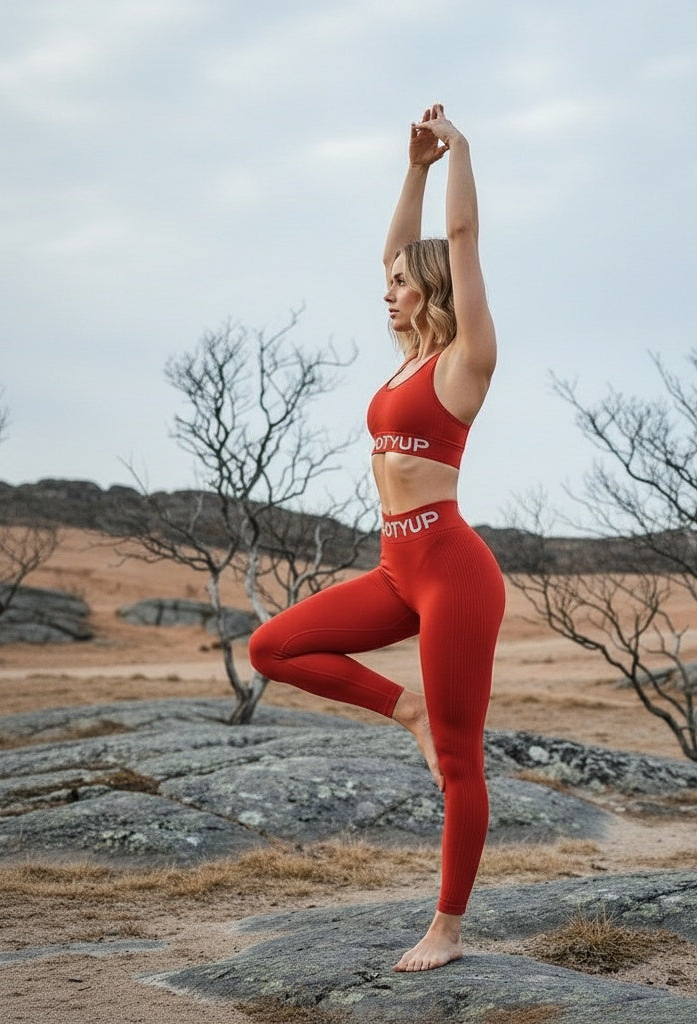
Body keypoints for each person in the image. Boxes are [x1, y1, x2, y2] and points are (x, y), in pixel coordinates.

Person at [248, 103, 505, 972]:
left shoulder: (466, 361)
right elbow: (397, 249)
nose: (387, 290)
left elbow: (460, 239)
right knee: (272, 647)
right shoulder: (402, 361)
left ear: (431, 288)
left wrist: (460, 153)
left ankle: (448, 926)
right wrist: (416, 168)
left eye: (400, 282)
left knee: (461, 766)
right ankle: (409, 710)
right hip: (397, 566)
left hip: (453, 574)